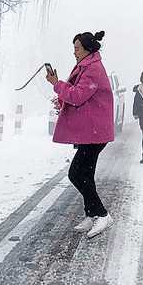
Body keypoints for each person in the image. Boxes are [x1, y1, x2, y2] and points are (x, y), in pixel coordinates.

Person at [47, 30, 115, 238]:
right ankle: (91, 213)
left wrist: (56, 84)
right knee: (85, 174)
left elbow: (78, 95)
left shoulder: (93, 69)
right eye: (74, 48)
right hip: (90, 131)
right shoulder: (86, 66)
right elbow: (79, 94)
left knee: (76, 173)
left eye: (77, 48)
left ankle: (102, 214)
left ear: (87, 48)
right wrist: (61, 100)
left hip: (95, 132)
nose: (74, 52)